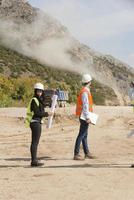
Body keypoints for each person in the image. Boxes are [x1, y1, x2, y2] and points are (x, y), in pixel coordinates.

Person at [26, 82, 53, 167]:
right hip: (35, 122)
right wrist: (47, 114)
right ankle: (34, 161)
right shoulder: (34, 100)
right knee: (34, 142)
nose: (39, 93)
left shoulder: (39, 100)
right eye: (38, 91)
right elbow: (37, 113)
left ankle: (34, 160)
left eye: (40, 91)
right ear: (35, 91)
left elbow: (41, 109)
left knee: (35, 142)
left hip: (36, 122)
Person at [74, 74, 95, 160]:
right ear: (89, 82)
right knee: (81, 134)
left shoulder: (84, 90)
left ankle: (87, 153)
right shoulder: (85, 92)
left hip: (83, 115)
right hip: (84, 116)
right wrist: (87, 117)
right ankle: (76, 154)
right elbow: (85, 105)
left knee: (84, 135)